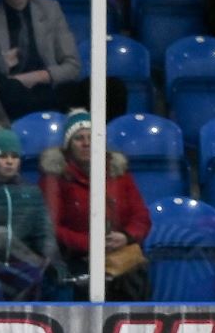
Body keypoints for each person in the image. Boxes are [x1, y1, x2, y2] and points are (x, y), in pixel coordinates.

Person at [38, 110, 152, 301]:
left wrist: (126, 236)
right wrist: (89, 243)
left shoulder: (119, 175)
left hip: (119, 259)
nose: (86, 143)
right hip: (75, 260)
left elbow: (141, 216)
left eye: (91, 137)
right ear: (68, 145)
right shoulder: (55, 179)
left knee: (135, 282)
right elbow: (50, 226)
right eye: (79, 138)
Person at [0, 0, 101, 122]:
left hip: (51, 87)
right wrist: (1, 63)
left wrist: (36, 76)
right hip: (13, 95)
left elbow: (73, 66)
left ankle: (102, 142)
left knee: (110, 88)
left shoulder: (50, 9)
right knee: (9, 90)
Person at [0, 125, 65, 301]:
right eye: (2, 156)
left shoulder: (31, 193)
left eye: (15, 156)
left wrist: (53, 262)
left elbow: (44, 232)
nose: (10, 161)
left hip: (21, 264)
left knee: (39, 277)